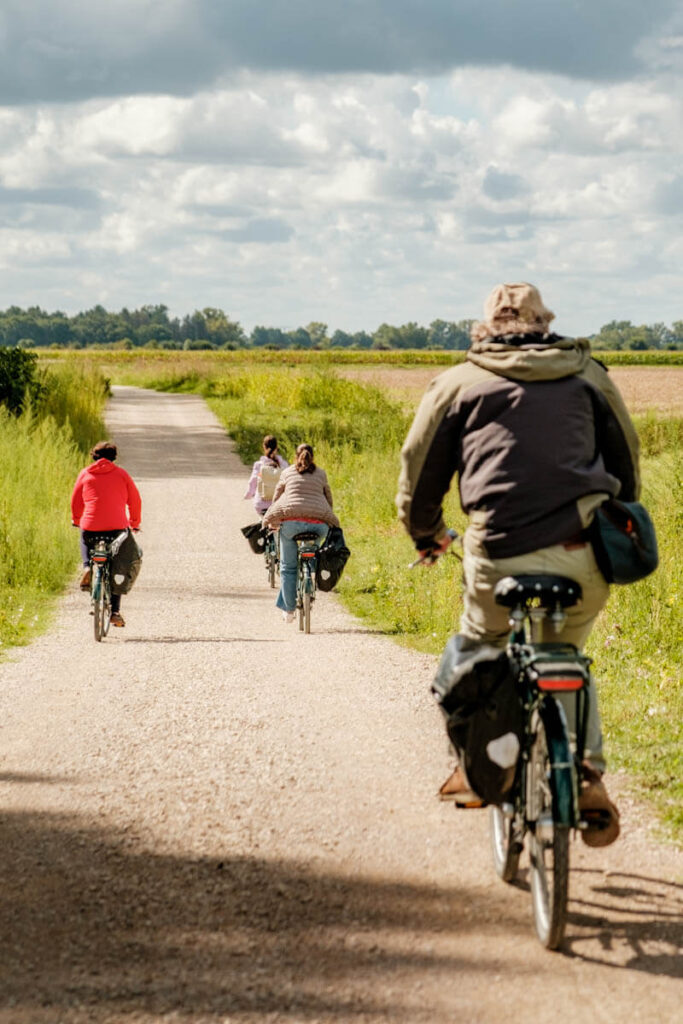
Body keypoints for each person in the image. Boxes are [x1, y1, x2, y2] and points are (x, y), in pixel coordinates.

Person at [397, 283, 640, 846]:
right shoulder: (588, 374)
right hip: (581, 554)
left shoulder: (458, 383)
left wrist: (426, 533)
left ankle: (479, 765)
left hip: (496, 555)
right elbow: (626, 464)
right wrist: (614, 518)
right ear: (544, 321)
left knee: (480, 648)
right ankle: (583, 773)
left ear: (485, 327)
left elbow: (419, 469)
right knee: (565, 654)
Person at [263, 443, 340, 621]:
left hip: (291, 526)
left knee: (288, 568)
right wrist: (325, 517)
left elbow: (277, 498)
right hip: (318, 527)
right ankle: (310, 573)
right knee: (312, 549)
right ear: (312, 456)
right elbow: (328, 499)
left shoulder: (287, 472)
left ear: (295, 456)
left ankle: (289, 611)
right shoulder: (321, 474)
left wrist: (273, 520)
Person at [71, 440, 142, 628]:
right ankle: (115, 612)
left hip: (91, 526)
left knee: (85, 537)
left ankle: (87, 567)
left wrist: (76, 519)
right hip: (116, 528)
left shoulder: (85, 473)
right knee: (117, 564)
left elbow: (76, 499)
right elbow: (135, 500)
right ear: (114, 457)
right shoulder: (121, 474)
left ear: (94, 456)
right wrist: (134, 523)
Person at [243, 435, 289, 517]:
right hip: (280, 505)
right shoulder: (284, 465)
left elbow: (253, 481)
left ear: (264, 447)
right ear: (277, 447)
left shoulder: (259, 465)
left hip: (261, 505)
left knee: (262, 519)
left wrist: (249, 495)